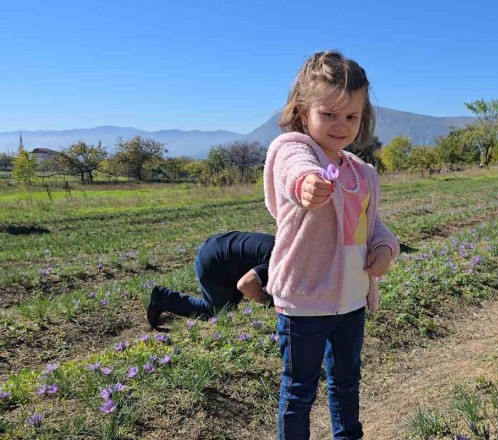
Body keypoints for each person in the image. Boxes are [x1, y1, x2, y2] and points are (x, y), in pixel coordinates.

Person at [263, 50, 399, 440]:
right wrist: (305, 183)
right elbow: (292, 168)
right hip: (306, 299)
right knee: (300, 389)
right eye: (329, 114)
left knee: (346, 383)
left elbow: (374, 227)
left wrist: (386, 249)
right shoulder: (294, 149)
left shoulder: (363, 172)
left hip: (352, 300)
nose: (341, 125)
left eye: (351, 116)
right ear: (304, 113)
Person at [147, 232, 275, 328]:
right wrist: (272, 302)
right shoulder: (279, 262)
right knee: (220, 311)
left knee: (231, 304)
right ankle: (163, 298)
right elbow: (246, 285)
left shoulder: (286, 247)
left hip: (219, 247)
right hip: (214, 263)